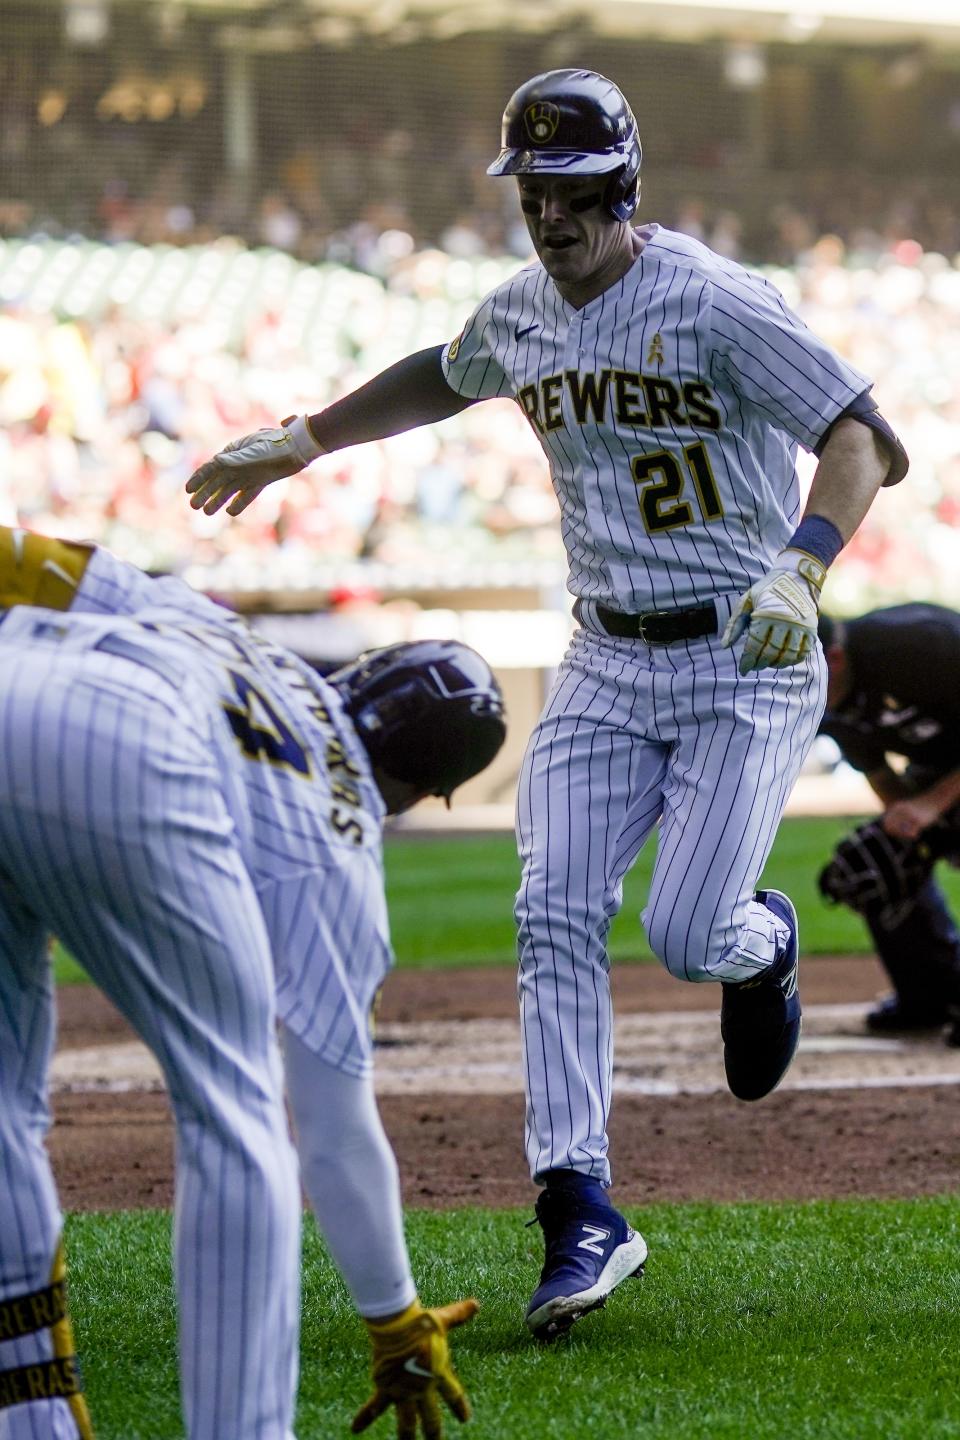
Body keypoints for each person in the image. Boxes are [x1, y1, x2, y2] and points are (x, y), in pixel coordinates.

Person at [185, 67, 908, 1341]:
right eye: (531, 191)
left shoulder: (715, 300)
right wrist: (301, 439)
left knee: (689, 934)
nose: (549, 216)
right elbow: (446, 371)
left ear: (623, 185)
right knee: (552, 910)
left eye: (570, 191)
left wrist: (804, 563)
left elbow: (865, 436)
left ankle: (766, 945)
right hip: (606, 656)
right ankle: (579, 1203)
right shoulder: (522, 310)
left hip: (747, 649)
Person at [0, 526, 504, 1437]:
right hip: (133, 743)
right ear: (428, 787)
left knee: (2, 1097)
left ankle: (27, 1418)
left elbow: (33, 563)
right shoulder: (346, 844)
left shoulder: (235, 636)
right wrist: (393, 1316)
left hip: (19, 668)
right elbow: (335, 1132)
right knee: (234, 1107)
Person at [817, 606, 960, 1041]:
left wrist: (933, 808)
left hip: (945, 780)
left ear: (834, 659)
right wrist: (910, 828)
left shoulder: (915, 644)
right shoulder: (824, 699)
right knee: (875, 862)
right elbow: (880, 775)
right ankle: (931, 996)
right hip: (941, 772)